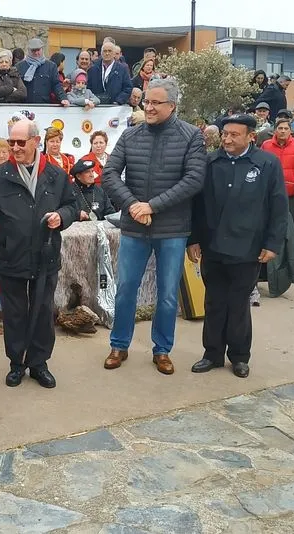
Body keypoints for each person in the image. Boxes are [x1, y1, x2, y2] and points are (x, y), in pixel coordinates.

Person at [0, 118, 78, 388]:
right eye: (12, 142)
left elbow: (72, 204)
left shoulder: (56, 175)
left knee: (43, 311)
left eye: (21, 142)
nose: (15, 147)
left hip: (45, 255)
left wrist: (62, 216)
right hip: (12, 255)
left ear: (36, 141)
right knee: (14, 313)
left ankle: (39, 364)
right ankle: (16, 364)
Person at [101, 77, 206, 375]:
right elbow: (110, 174)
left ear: (172, 106)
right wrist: (133, 205)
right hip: (135, 227)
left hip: (172, 229)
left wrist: (153, 206)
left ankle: (162, 349)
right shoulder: (130, 135)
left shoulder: (190, 136)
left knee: (168, 294)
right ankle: (119, 344)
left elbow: (194, 180)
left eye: (155, 103)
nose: (148, 107)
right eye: (146, 101)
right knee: (126, 289)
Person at [188, 113, 287, 378]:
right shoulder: (211, 162)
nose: (227, 139)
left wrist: (272, 243)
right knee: (214, 302)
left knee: (239, 303)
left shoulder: (267, 164)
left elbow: (278, 207)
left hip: (248, 247)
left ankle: (240, 356)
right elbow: (197, 205)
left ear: (250, 137)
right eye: (225, 134)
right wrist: (194, 238)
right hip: (213, 246)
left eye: (234, 135)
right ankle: (212, 354)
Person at [261, 118, 294, 218]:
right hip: (270, 191)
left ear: (290, 131)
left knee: (288, 220)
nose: (283, 131)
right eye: (280, 128)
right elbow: (261, 165)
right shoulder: (266, 145)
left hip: (290, 192)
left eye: (286, 128)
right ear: (275, 130)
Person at [16, 38, 68, 106]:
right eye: (33, 50)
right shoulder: (19, 66)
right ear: (28, 50)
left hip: (44, 106)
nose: (36, 53)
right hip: (23, 106)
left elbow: (56, 85)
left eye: (38, 50)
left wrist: (63, 98)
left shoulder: (51, 66)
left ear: (42, 49)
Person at [87, 41, 133, 106]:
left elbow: (128, 88)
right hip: (96, 106)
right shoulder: (93, 69)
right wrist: (91, 100)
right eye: (105, 51)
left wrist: (119, 101)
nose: (107, 53)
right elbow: (88, 87)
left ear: (114, 54)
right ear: (101, 53)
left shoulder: (122, 69)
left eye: (110, 51)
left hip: (114, 107)